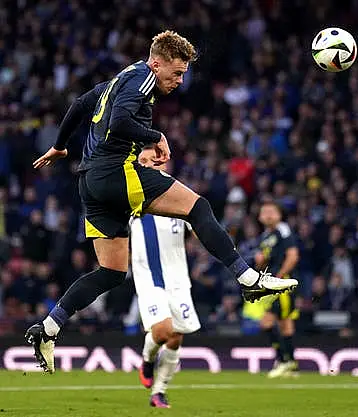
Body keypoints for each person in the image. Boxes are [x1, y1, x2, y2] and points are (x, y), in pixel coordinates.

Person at [25, 30, 297, 374]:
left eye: (183, 74)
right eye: (176, 73)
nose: (180, 81)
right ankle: (247, 279)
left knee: (110, 272)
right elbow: (121, 120)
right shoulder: (142, 78)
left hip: (90, 183)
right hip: (115, 173)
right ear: (157, 63)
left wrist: (61, 145)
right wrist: (156, 136)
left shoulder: (119, 79)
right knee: (198, 208)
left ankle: (48, 328)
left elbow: (80, 104)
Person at [132, 149, 199, 408]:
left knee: (176, 336)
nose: (148, 164)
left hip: (178, 278)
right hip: (149, 276)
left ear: (162, 161)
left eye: (152, 160)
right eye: (143, 161)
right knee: (163, 330)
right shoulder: (129, 196)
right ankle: (148, 360)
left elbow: (198, 227)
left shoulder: (180, 194)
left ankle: (159, 392)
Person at [254, 201, 300, 378]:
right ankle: (292, 365)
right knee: (286, 324)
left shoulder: (283, 230)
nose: (267, 215)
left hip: (281, 283)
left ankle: (283, 360)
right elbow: (265, 262)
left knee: (266, 322)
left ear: (279, 215)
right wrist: (261, 262)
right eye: (264, 211)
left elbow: (293, 255)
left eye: (271, 211)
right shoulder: (265, 236)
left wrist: (280, 277)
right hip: (272, 283)